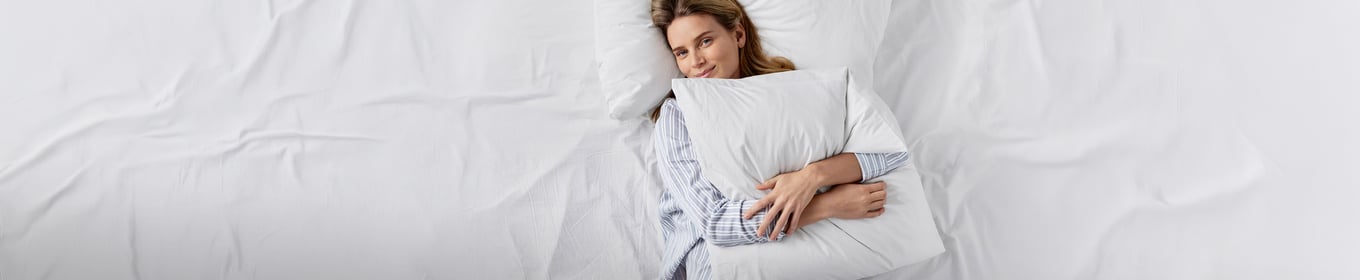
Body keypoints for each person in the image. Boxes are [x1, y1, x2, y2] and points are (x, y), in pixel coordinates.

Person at [648, 0, 910, 279]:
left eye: (705, 41)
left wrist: (813, 176)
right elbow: (715, 222)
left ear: (738, 35)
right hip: (717, 266)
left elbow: (889, 151)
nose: (695, 61)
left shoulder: (793, 90)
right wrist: (828, 205)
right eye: (682, 52)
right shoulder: (678, 117)